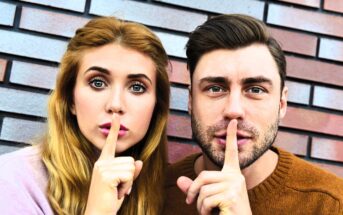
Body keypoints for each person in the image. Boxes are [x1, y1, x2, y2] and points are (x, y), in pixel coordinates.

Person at [163, 14, 343, 215]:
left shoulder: (332, 204)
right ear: (190, 101)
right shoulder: (154, 195)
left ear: (281, 103)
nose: (234, 110)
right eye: (215, 88)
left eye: (256, 90)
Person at [0, 16, 170, 215]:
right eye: (97, 83)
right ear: (70, 99)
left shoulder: (168, 189)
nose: (115, 105)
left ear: (156, 107)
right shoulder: (13, 180)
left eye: (137, 87)